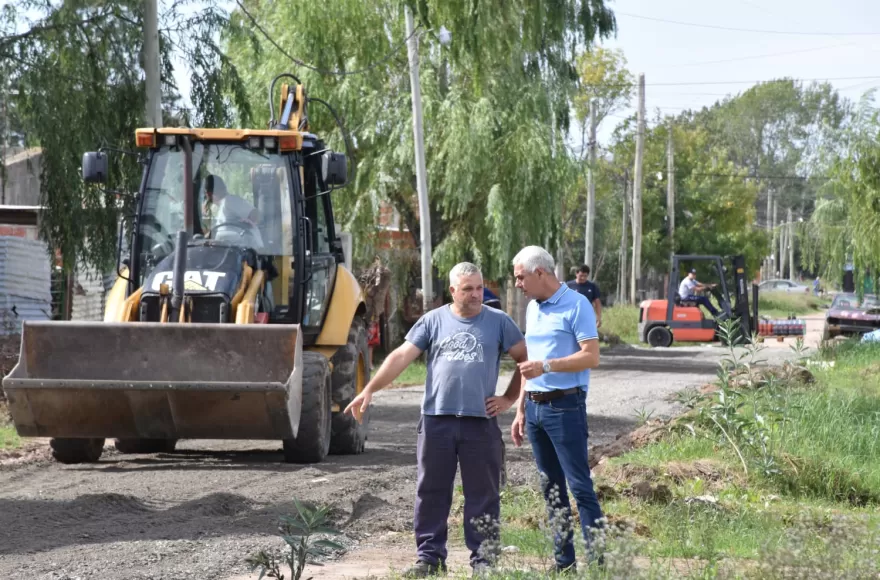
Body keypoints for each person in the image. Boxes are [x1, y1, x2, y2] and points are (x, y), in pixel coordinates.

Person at [344, 262, 528, 578]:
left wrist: (509, 399)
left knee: (483, 495)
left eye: (479, 287)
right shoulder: (433, 321)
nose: (475, 294)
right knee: (431, 491)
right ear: (453, 291)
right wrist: (369, 389)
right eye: (467, 288)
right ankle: (429, 558)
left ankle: (484, 561)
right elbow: (401, 356)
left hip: (479, 424)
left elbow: (526, 360)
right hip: (436, 422)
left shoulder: (499, 322)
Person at [509, 246, 604, 573]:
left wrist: (547, 366)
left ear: (540, 273)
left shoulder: (577, 304)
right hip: (535, 411)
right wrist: (520, 410)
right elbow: (528, 367)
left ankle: (598, 564)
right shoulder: (533, 309)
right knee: (551, 489)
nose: (517, 284)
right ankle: (565, 563)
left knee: (579, 487)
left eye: (520, 277)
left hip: (565, 408)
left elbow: (591, 356)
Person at [202, 174, 264, 248]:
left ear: (208, 194)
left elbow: (256, 214)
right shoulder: (223, 208)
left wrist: (247, 224)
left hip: (247, 252)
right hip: (230, 251)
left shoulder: (229, 201)